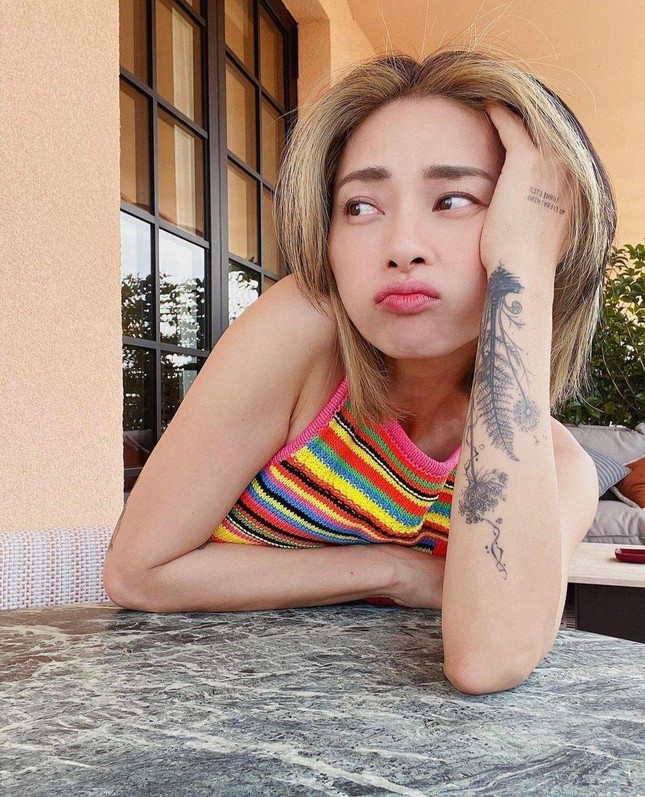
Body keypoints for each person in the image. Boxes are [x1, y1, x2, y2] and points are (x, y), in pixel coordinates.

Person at [104, 47, 617, 694]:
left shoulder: (560, 468)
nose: (402, 246)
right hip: (187, 697)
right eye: (361, 207)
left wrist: (523, 268)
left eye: (454, 199)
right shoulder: (304, 331)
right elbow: (138, 572)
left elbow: (488, 660)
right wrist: (395, 571)